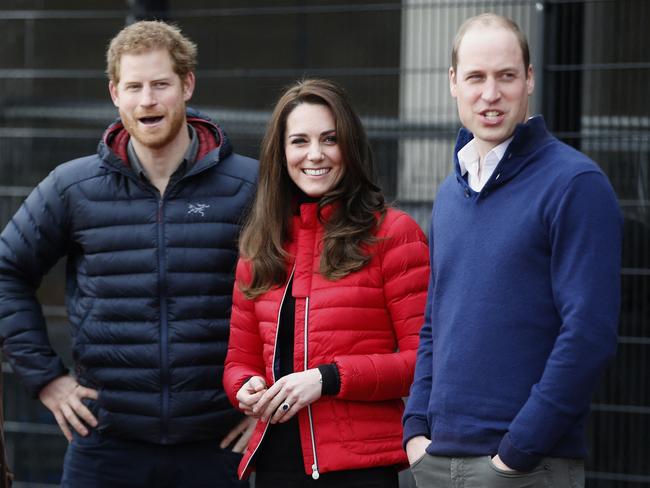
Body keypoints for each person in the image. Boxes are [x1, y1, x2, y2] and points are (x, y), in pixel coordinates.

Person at [0, 20, 258, 487]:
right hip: (105, 444)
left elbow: (306, 294)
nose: (147, 100)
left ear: (187, 85)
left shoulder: (248, 186)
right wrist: (46, 379)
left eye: (161, 84)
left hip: (217, 444)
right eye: (134, 86)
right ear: (114, 93)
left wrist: (268, 408)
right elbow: (5, 272)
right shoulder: (72, 186)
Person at [403, 13, 622, 488]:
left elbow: (589, 333)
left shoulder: (575, 184)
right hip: (436, 460)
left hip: (524, 467)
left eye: (505, 76)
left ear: (529, 80)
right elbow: (433, 323)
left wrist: (519, 449)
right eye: (476, 77)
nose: (490, 94)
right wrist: (416, 428)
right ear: (453, 83)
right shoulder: (450, 192)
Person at [223, 78, 429, 487]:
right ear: (281, 154)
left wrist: (326, 379)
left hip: (360, 469)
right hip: (275, 466)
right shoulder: (260, 245)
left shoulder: (394, 234)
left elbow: (422, 363)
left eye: (329, 139)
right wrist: (244, 387)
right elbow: (238, 361)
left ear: (349, 147)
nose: (314, 154)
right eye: (299, 141)